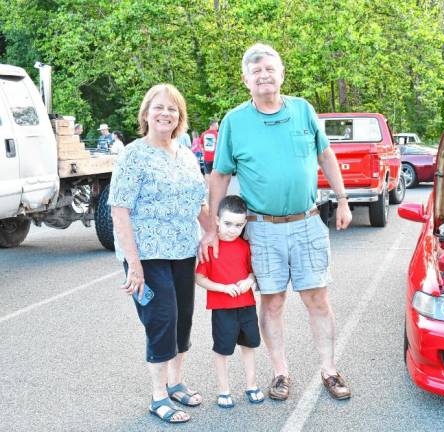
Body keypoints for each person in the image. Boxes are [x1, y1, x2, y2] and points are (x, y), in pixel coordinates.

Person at [201, 43, 353, 401]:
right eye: (256, 72)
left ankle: (329, 370)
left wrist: (343, 199)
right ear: (246, 79)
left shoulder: (303, 110)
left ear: (281, 73)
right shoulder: (235, 122)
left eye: (270, 69)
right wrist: (212, 228)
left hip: (308, 221)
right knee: (271, 302)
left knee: (318, 299)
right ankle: (280, 373)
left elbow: (326, 154)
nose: (264, 76)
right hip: (262, 228)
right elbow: (220, 175)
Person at [109, 83, 210, 424]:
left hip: (183, 249)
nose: (166, 113)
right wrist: (133, 264)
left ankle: (176, 381)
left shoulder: (185, 154)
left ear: (180, 117)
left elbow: (198, 200)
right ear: (146, 113)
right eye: (159, 107)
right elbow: (119, 209)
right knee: (161, 318)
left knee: (183, 319)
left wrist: (211, 232)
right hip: (147, 254)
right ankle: (158, 396)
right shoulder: (133, 154)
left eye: (173, 109)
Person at [195, 195, 264, 408]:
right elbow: (199, 278)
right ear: (216, 220)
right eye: (227, 224)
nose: (232, 230)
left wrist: (249, 280)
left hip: (247, 305)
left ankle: (251, 385)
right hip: (223, 309)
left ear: (244, 224)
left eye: (238, 225)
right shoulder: (209, 248)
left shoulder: (245, 246)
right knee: (222, 350)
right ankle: (223, 390)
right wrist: (223, 288)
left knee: (249, 345)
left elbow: (253, 272)